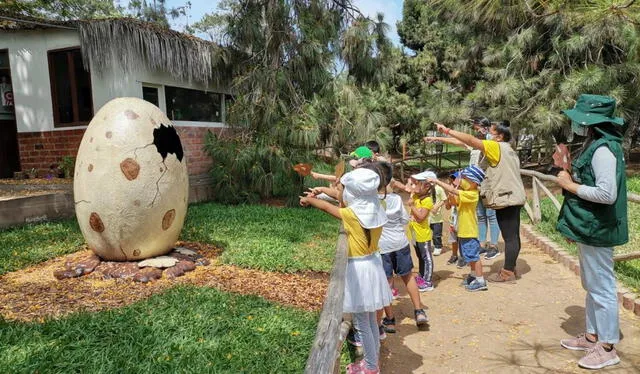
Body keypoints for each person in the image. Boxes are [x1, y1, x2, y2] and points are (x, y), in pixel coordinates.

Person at [556, 94, 628, 370]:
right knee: (592, 284)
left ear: (592, 124)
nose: (577, 127)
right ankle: (592, 336)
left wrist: (569, 184)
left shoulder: (603, 150)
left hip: (599, 228)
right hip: (591, 228)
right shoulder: (597, 145)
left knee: (602, 287)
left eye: (581, 122)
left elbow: (606, 194)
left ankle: (607, 347)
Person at [300, 167, 391, 374]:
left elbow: (326, 208)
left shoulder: (351, 215)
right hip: (373, 266)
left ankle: (370, 367)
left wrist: (310, 200)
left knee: (362, 322)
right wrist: (320, 194)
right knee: (369, 321)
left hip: (359, 271)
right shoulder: (377, 208)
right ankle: (372, 361)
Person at [428, 120, 526, 283]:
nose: (488, 135)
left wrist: (447, 130)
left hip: (506, 197)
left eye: (492, 133)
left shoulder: (496, 146)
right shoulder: (509, 149)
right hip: (513, 196)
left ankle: (507, 272)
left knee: (510, 237)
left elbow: (471, 140)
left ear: (500, 137)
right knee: (513, 236)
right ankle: (511, 266)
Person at [360, 162, 428, 334]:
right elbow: (405, 220)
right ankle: (419, 311)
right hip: (400, 243)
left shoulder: (371, 202)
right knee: (408, 276)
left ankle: (389, 320)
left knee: (386, 283)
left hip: (382, 247)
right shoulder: (397, 199)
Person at [429, 165, 487, 291]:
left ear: (473, 182)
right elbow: (454, 202)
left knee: (474, 256)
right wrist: (452, 189)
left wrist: (438, 182)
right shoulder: (466, 192)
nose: (462, 180)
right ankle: (473, 276)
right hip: (463, 231)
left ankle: (481, 280)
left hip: (469, 231)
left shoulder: (472, 194)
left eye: (465, 178)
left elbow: (456, 193)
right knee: (468, 255)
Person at [394, 171, 436, 291]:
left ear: (427, 186)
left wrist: (412, 206)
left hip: (423, 235)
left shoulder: (427, 200)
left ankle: (428, 281)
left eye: (417, 183)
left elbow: (421, 217)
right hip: (415, 234)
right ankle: (422, 277)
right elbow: (405, 187)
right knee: (420, 256)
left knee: (426, 257)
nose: (413, 186)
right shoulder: (417, 195)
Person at [445, 171, 460, 266]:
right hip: (453, 219)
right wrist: (448, 198)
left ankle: (464, 257)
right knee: (453, 239)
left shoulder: (461, 191)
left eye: (454, 179)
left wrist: (451, 196)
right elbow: (448, 207)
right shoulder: (451, 191)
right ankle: (454, 255)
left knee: (462, 239)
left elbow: (456, 204)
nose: (452, 182)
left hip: (461, 219)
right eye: (451, 180)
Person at [429, 181, 447, 256]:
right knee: (427, 232)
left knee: (436, 234)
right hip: (427, 215)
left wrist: (437, 206)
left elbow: (444, 199)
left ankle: (438, 247)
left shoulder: (439, 189)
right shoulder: (426, 188)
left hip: (436, 216)